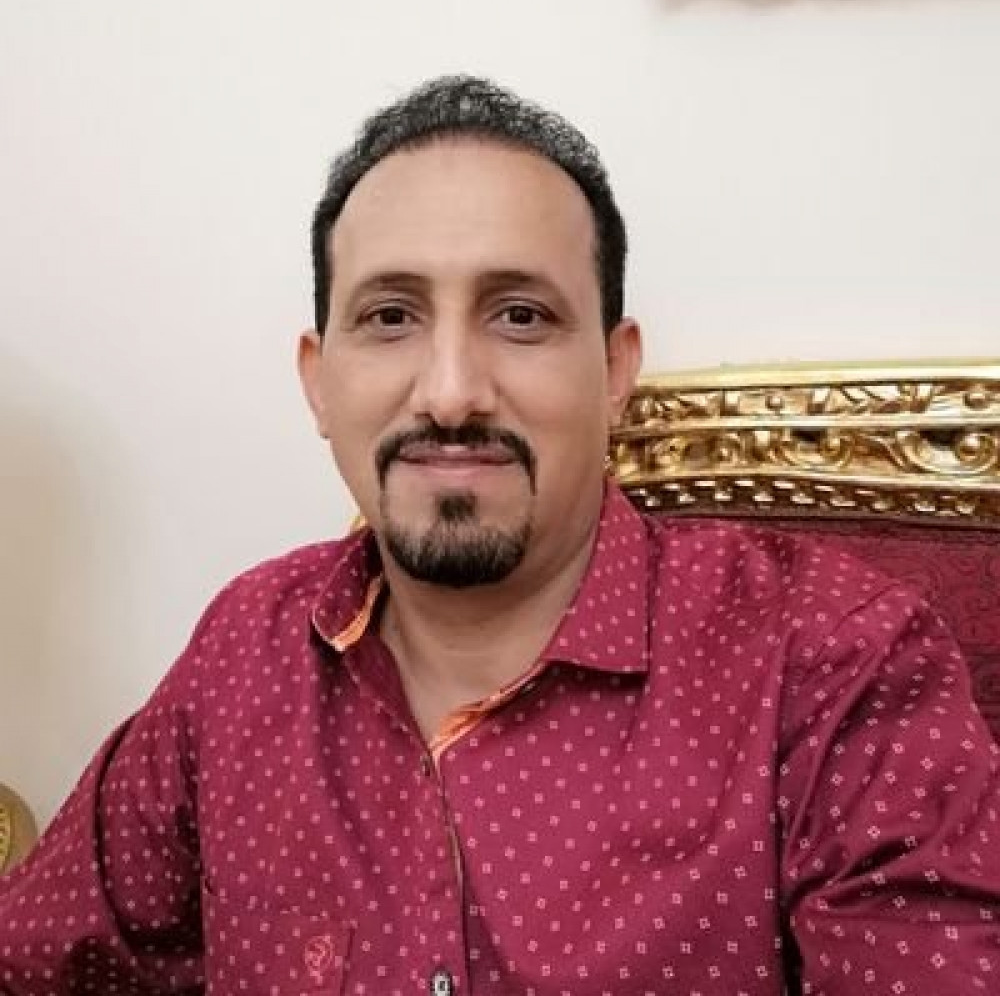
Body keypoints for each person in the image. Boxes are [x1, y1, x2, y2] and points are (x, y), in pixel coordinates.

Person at [1, 75, 998, 996]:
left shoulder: (834, 663)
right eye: (390, 317)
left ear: (614, 370)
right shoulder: (244, 652)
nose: (449, 394)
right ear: (318, 379)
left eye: (519, 316)